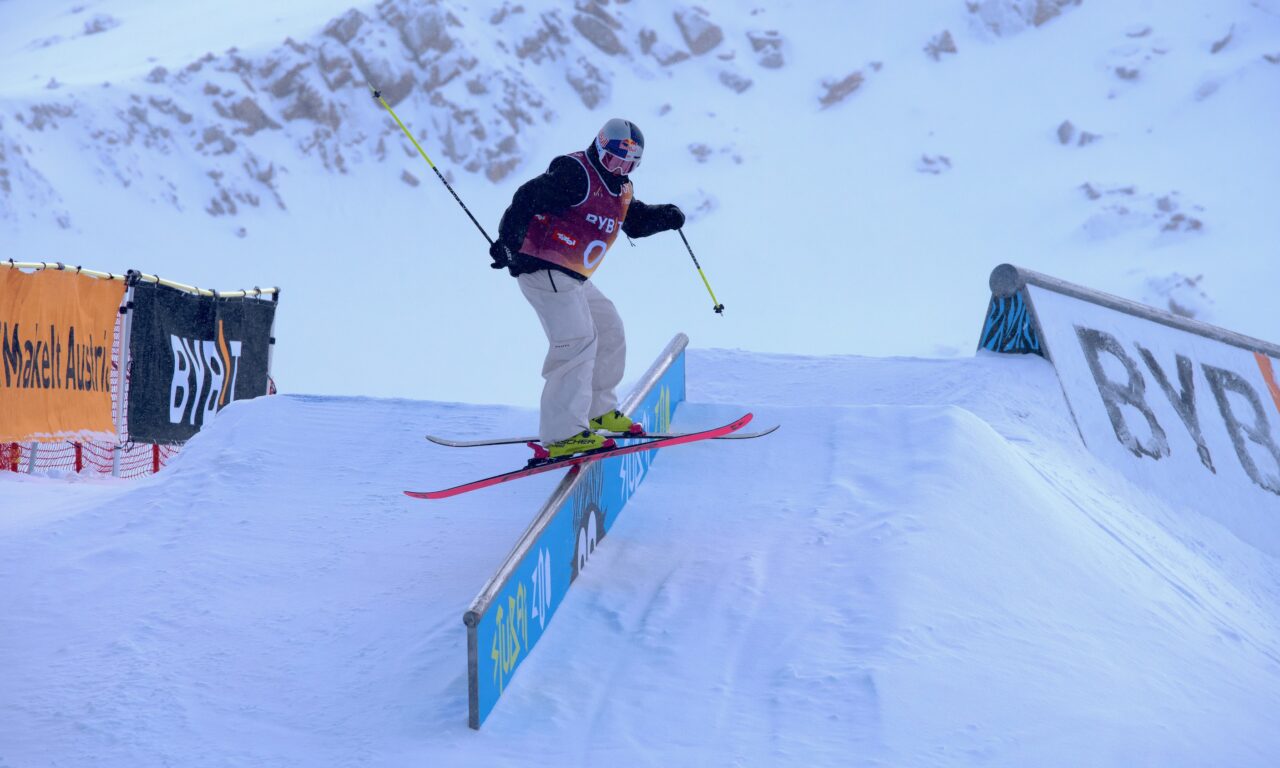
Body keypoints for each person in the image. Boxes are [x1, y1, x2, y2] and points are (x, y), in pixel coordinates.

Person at [489, 118, 685, 459]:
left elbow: (634, 222)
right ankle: (562, 434)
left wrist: (666, 216)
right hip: (542, 268)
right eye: (613, 160)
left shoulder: (621, 188)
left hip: (572, 276)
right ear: (599, 148)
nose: (620, 169)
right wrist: (508, 242)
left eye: (629, 165)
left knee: (609, 329)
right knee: (576, 343)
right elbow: (526, 198)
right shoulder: (575, 173)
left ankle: (597, 410)